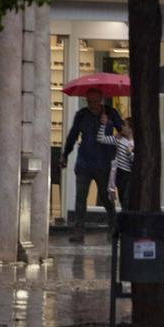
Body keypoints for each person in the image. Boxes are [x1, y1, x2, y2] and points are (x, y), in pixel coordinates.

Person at [61, 88, 122, 242]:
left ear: (101, 100)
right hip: (84, 162)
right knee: (81, 197)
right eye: (89, 102)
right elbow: (72, 136)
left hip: (104, 162)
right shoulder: (81, 115)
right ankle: (79, 231)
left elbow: (122, 130)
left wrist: (115, 137)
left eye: (95, 101)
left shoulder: (110, 112)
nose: (92, 105)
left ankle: (113, 227)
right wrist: (65, 155)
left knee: (105, 197)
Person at [97, 115, 135, 209]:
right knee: (121, 198)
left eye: (124, 125)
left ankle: (127, 218)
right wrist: (103, 125)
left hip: (128, 175)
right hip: (118, 173)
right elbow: (101, 139)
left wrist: (130, 153)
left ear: (130, 129)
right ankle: (122, 218)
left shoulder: (134, 143)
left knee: (126, 199)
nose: (121, 126)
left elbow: (135, 161)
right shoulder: (119, 139)